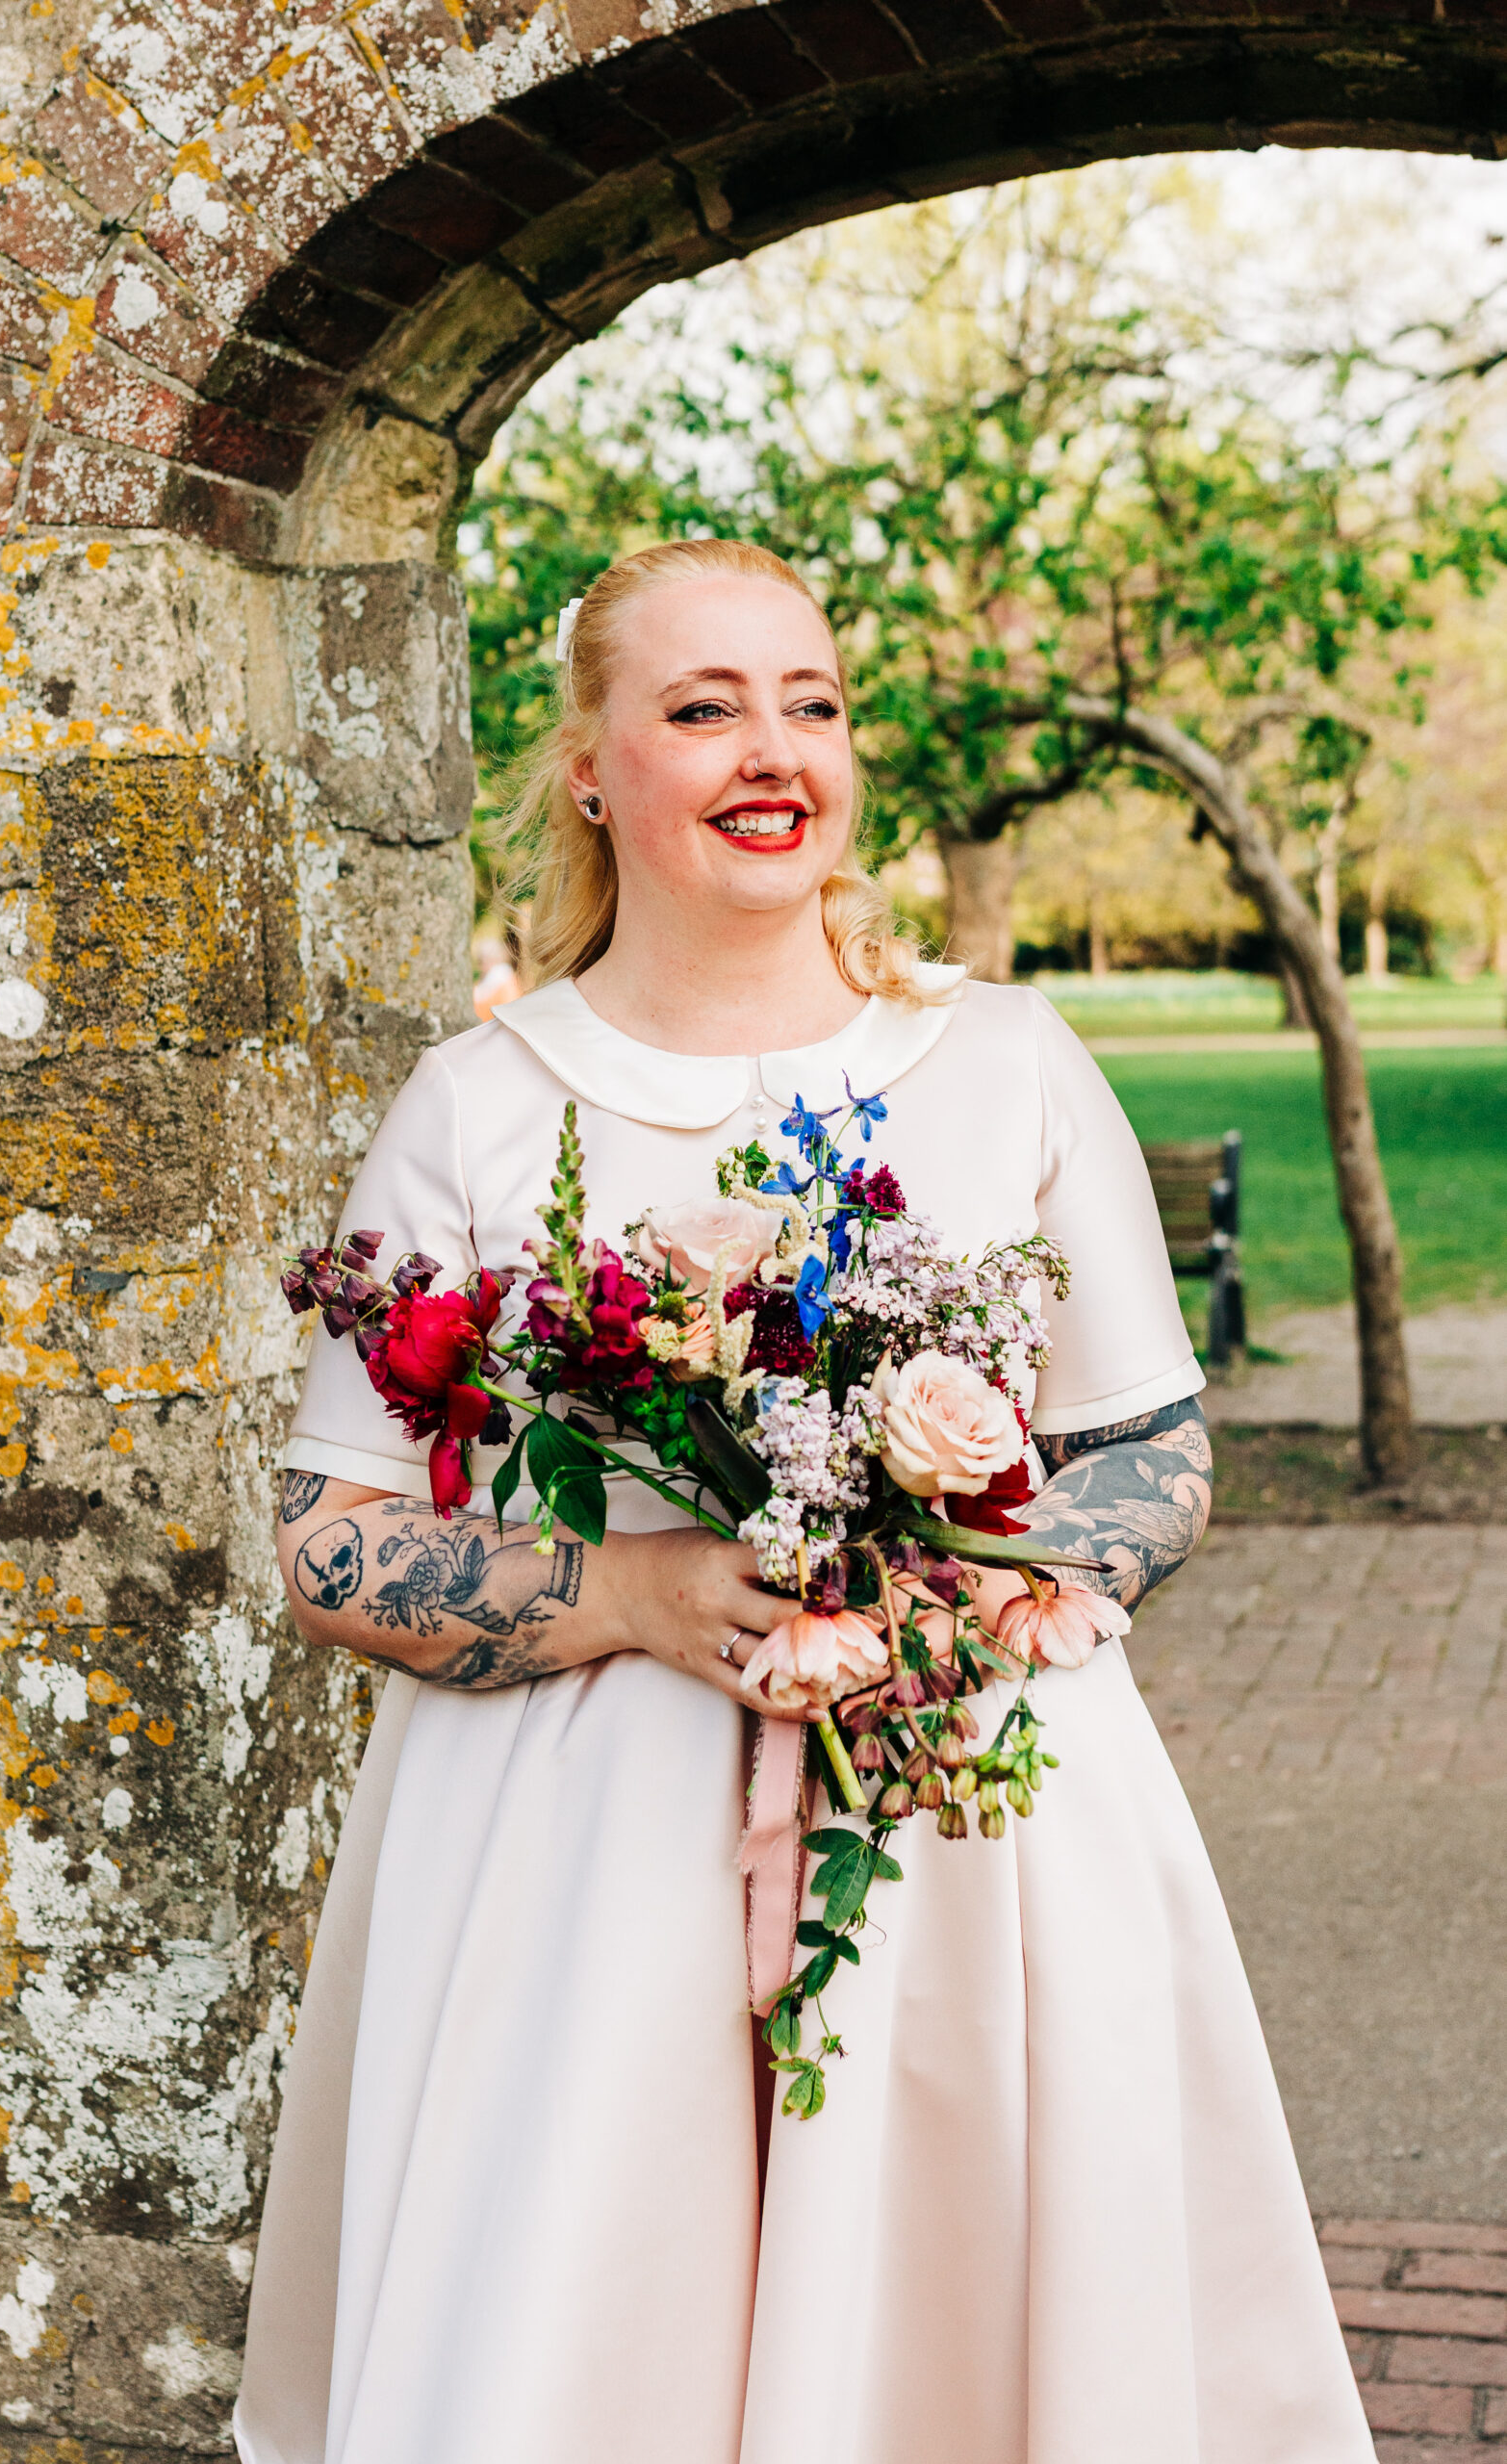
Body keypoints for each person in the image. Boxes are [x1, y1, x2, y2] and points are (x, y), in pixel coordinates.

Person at [234, 539, 1373, 2464]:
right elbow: (329, 1541)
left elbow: (1148, 1450)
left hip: (963, 1825)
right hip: (572, 1870)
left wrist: (957, 1604)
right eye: (703, 707)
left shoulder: (999, 1061)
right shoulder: (481, 1103)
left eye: (810, 702)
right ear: (590, 771)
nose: (773, 750)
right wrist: (635, 1592)